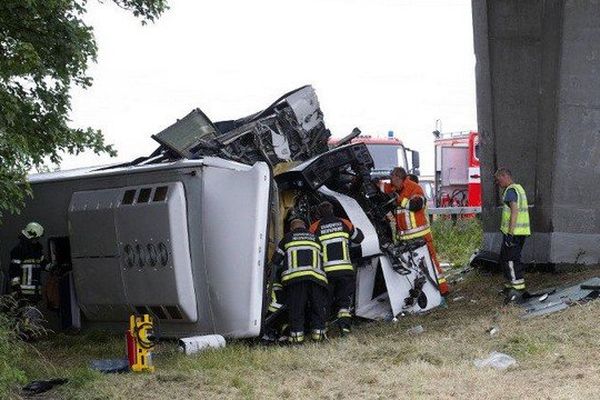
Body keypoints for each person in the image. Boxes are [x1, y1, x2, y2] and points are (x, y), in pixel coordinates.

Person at [384, 167, 449, 296]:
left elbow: (416, 205)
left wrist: (399, 200)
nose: (391, 182)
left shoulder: (414, 188)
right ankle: (423, 292)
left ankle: (442, 290)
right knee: (412, 266)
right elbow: (384, 188)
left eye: (392, 178)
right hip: (405, 238)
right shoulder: (396, 188)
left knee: (430, 263)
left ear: (398, 177)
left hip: (420, 237)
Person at [309, 201, 364, 335]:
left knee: (326, 300)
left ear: (319, 214)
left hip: (326, 272)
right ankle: (345, 328)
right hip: (345, 269)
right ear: (332, 210)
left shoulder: (314, 227)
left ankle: (324, 329)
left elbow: (310, 248)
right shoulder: (344, 222)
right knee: (344, 301)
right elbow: (359, 238)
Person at [271, 217, 328, 343]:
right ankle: (318, 337)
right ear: (305, 227)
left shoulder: (287, 238)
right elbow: (323, 258)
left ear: (292, 228)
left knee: (297, 310)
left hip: (295, 280)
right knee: (317, 308)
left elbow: (275, 260)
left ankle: (297, 340)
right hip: (316, 279)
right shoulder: (315, 238)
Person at [494, 168, 531, 303]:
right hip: (519, 233)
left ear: (505, 176)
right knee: (505, 258)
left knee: (511, 260)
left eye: (499, 180)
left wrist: (510, 233)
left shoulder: (510, 191)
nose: (498, 183)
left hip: (514, 233)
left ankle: (517, 290)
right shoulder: (518, 189)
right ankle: (510, 286)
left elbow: (514, 211)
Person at [8, 222, 49, 303]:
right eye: (36, 238)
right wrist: (16, 288)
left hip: (35, 293)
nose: (37, 240)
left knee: (32, 314)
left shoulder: (38, 251)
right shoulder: (18, 251)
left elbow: (44, 264)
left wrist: (54, 267)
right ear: (30, 237)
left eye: (38, 238)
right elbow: (13, 270)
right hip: (22, 293)